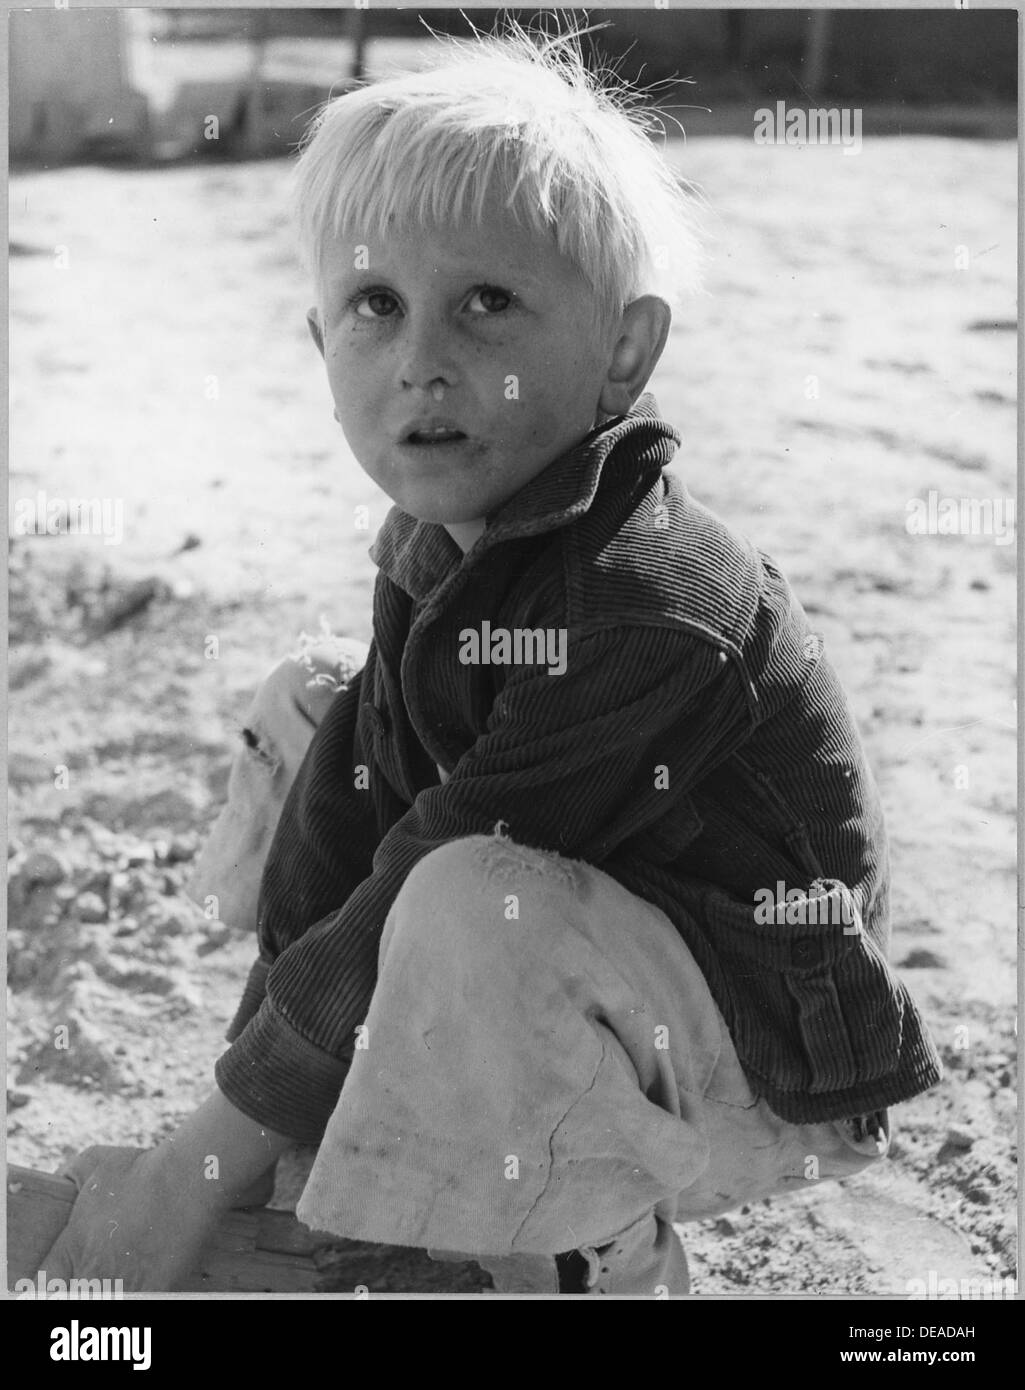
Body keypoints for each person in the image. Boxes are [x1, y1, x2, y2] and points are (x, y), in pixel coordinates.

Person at [45, 27, 941, 1297]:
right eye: (375, 307)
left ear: (621, 353)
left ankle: (586, 1249)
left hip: (756, 1066)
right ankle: (372, 1177)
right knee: (316, 711)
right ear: (320, 347)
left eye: (487, 302)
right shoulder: (431, 544)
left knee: (464, 886)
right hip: (599, 977)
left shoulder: (644, 603)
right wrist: (257, 1129)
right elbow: (344, 839)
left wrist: (188, 1170)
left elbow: (436, 858)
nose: (421, 359)